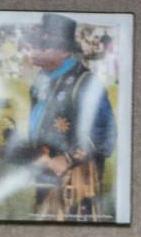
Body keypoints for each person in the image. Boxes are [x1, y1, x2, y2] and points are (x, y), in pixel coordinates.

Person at [20, 13, 116, 221]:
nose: (33, 52)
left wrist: (68, 158)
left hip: (77, 176)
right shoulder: (41, 78)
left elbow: (105, 133)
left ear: (63, 52)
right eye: (34, 45)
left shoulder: (86, 83)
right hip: (46, 169)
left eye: (42, 47)